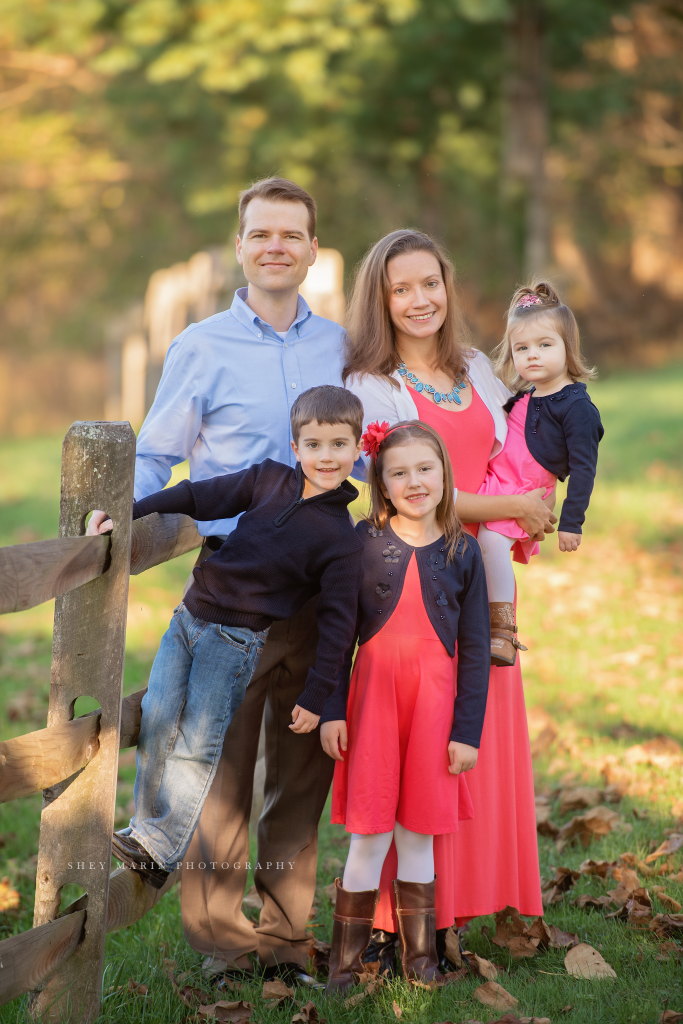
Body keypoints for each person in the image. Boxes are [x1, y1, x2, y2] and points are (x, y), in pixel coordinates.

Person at [89, 178, 351, 987]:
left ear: (312, 248)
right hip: (234, 594)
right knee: (221, 773)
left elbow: (374, 443)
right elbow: (163, 453)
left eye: (293, 233)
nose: (277, 245)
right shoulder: (200, 344)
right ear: (240, 246)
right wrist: (119, 512)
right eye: (261, 233)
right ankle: (224, 947)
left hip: (320, 591)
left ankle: (284, 942)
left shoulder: (342, 343)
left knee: (301, 778)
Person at [342, 229, 557, 972]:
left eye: (428, 283)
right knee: (423, 751)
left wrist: (535, 498)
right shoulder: (370, 385)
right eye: (400, 288)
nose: (418, 300)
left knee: (475, 740)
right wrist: (506, 514)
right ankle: (401, 924)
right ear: (381, 299)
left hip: (484, 583)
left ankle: (471, 898)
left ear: (447, 285)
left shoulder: (475, 369)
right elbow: (403, 496)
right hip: (418, 593)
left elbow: (512, 453)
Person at [89, 386, 364, 893]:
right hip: (189, 616)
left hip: (235, 640)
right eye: (315, 444)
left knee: (198, 742)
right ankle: (147, 832)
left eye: (339, 445)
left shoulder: (342, 541)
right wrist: (133, 509)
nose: (327, 457)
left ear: (357, 447)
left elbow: (340, 625)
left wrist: (318, 693)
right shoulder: (267, 479)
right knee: (158, 719)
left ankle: (163, 845)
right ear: (295, 444)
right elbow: (199, 495)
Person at [319, 420, 490, 991]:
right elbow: (340, 635)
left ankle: (421, 962)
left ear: (444, 472)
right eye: (399, 473)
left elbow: (473, 657)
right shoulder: (363, 543)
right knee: (370, 834)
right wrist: (333, 709)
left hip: (435, 710)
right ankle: (344, 969)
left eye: (425, 468)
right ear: (382, 484)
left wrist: (467, 732)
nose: (415, 481)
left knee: (418, 834)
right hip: (372, 704)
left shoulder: (465, 551)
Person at [477, 281, 604, 666]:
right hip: (494, 480)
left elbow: (584, 467)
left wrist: (572, 522)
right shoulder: (522, 395)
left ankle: (502, 630)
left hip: (524, 487)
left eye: (545, 345)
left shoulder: (577, 407)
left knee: (491, 538)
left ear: (568, 348)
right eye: (522, 348)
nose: (532, 355)